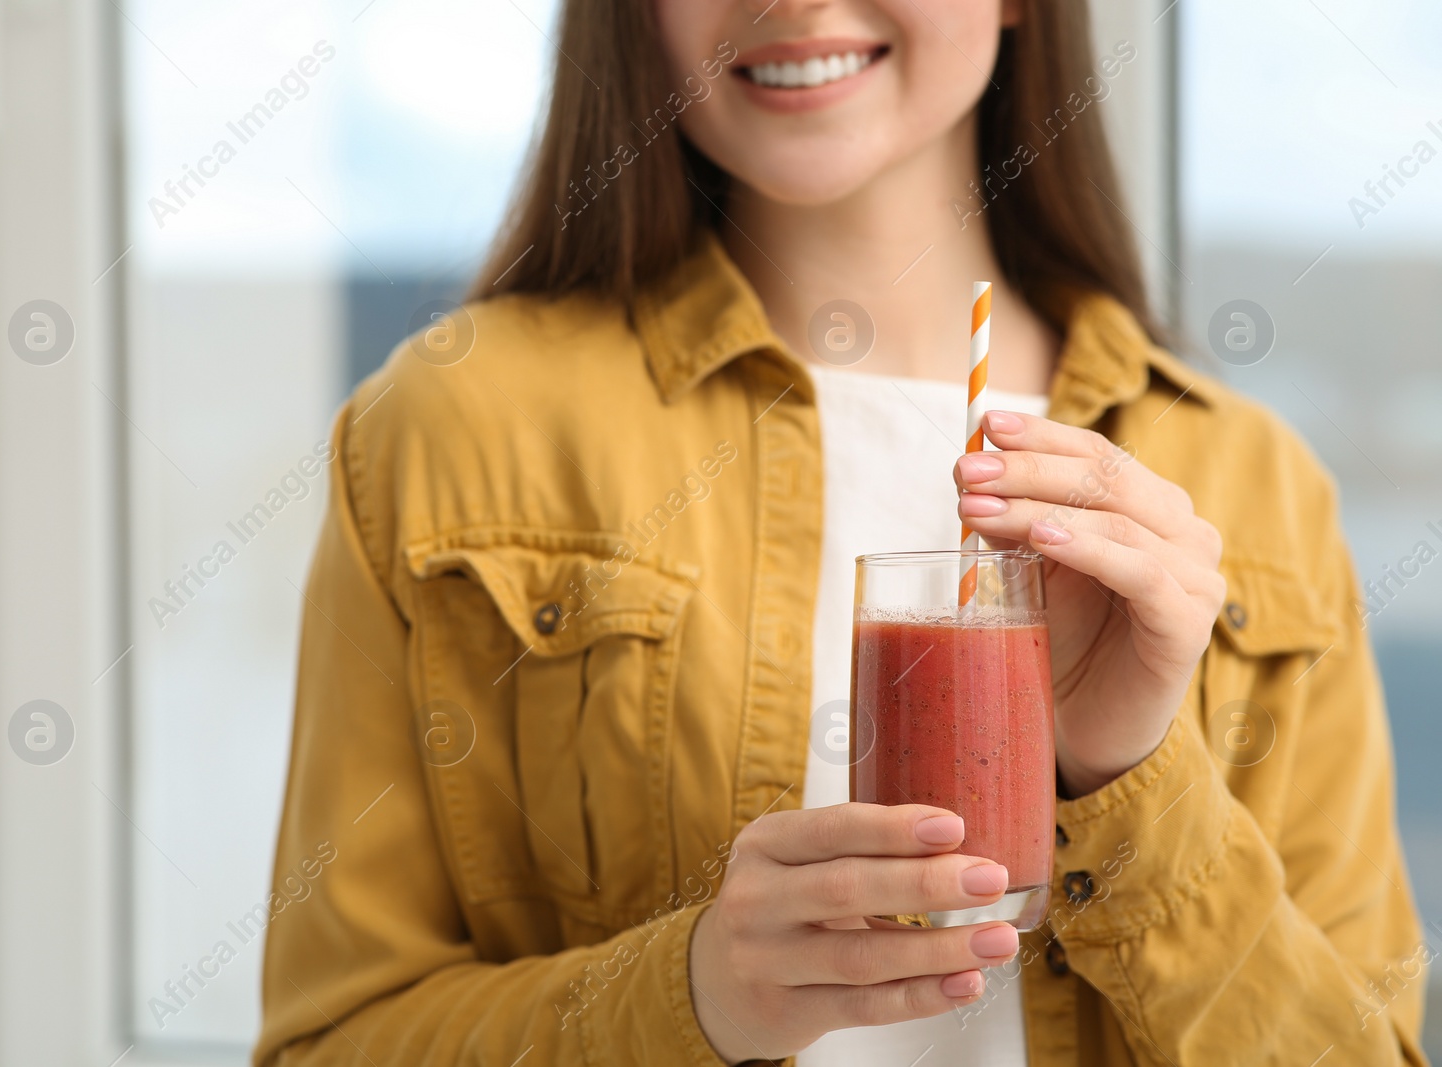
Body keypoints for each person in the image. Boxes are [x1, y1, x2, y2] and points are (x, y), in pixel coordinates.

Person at [252, 1, 1427, 1064]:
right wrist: (694, 993)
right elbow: (332, 1038)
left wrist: (1127, 780)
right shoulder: (454, 431)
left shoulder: (1252, 487)